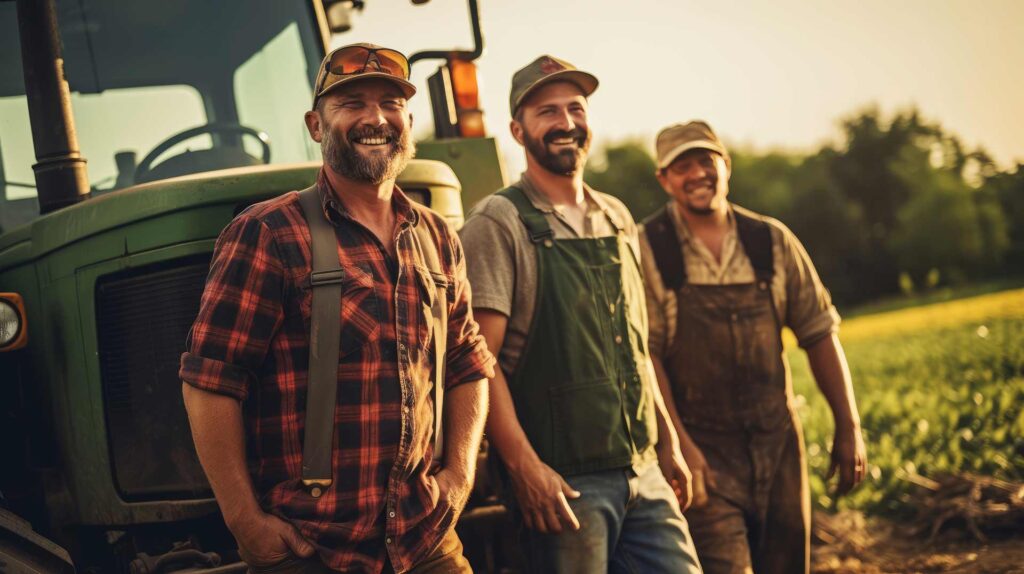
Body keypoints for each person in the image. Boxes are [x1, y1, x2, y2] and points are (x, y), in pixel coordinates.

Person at [179, 43, 495, 574]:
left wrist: (459, 475)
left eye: (390, 103)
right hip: (313, 550)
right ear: (316, 125)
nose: (375, 118)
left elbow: (468, 363)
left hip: (425, 542)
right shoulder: (268, 233)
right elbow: (210, 381)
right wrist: (244, 521)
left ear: (408, 120)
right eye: (351, 103)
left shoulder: (438, 237)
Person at [459, 55, 703, 573]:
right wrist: (524, 469)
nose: (566, 123)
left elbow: (634, 346)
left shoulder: (616, 216)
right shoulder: (498, 222)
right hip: (564, 485)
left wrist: (667, 442)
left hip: (643, 470)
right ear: (517, 130)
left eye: (576, 107)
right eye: (547, 111)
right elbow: (481, 362)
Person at [640, 120, 868, 574]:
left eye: (706, 161)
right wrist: (680, 446)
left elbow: (819, 333)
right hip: (702, 453)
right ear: (664, 179)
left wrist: (849, 426)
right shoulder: (649, 248)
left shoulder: (771, 240)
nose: (697, 174)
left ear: (726, 166)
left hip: (778, 443)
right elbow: (648, 358)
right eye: (681, 167)